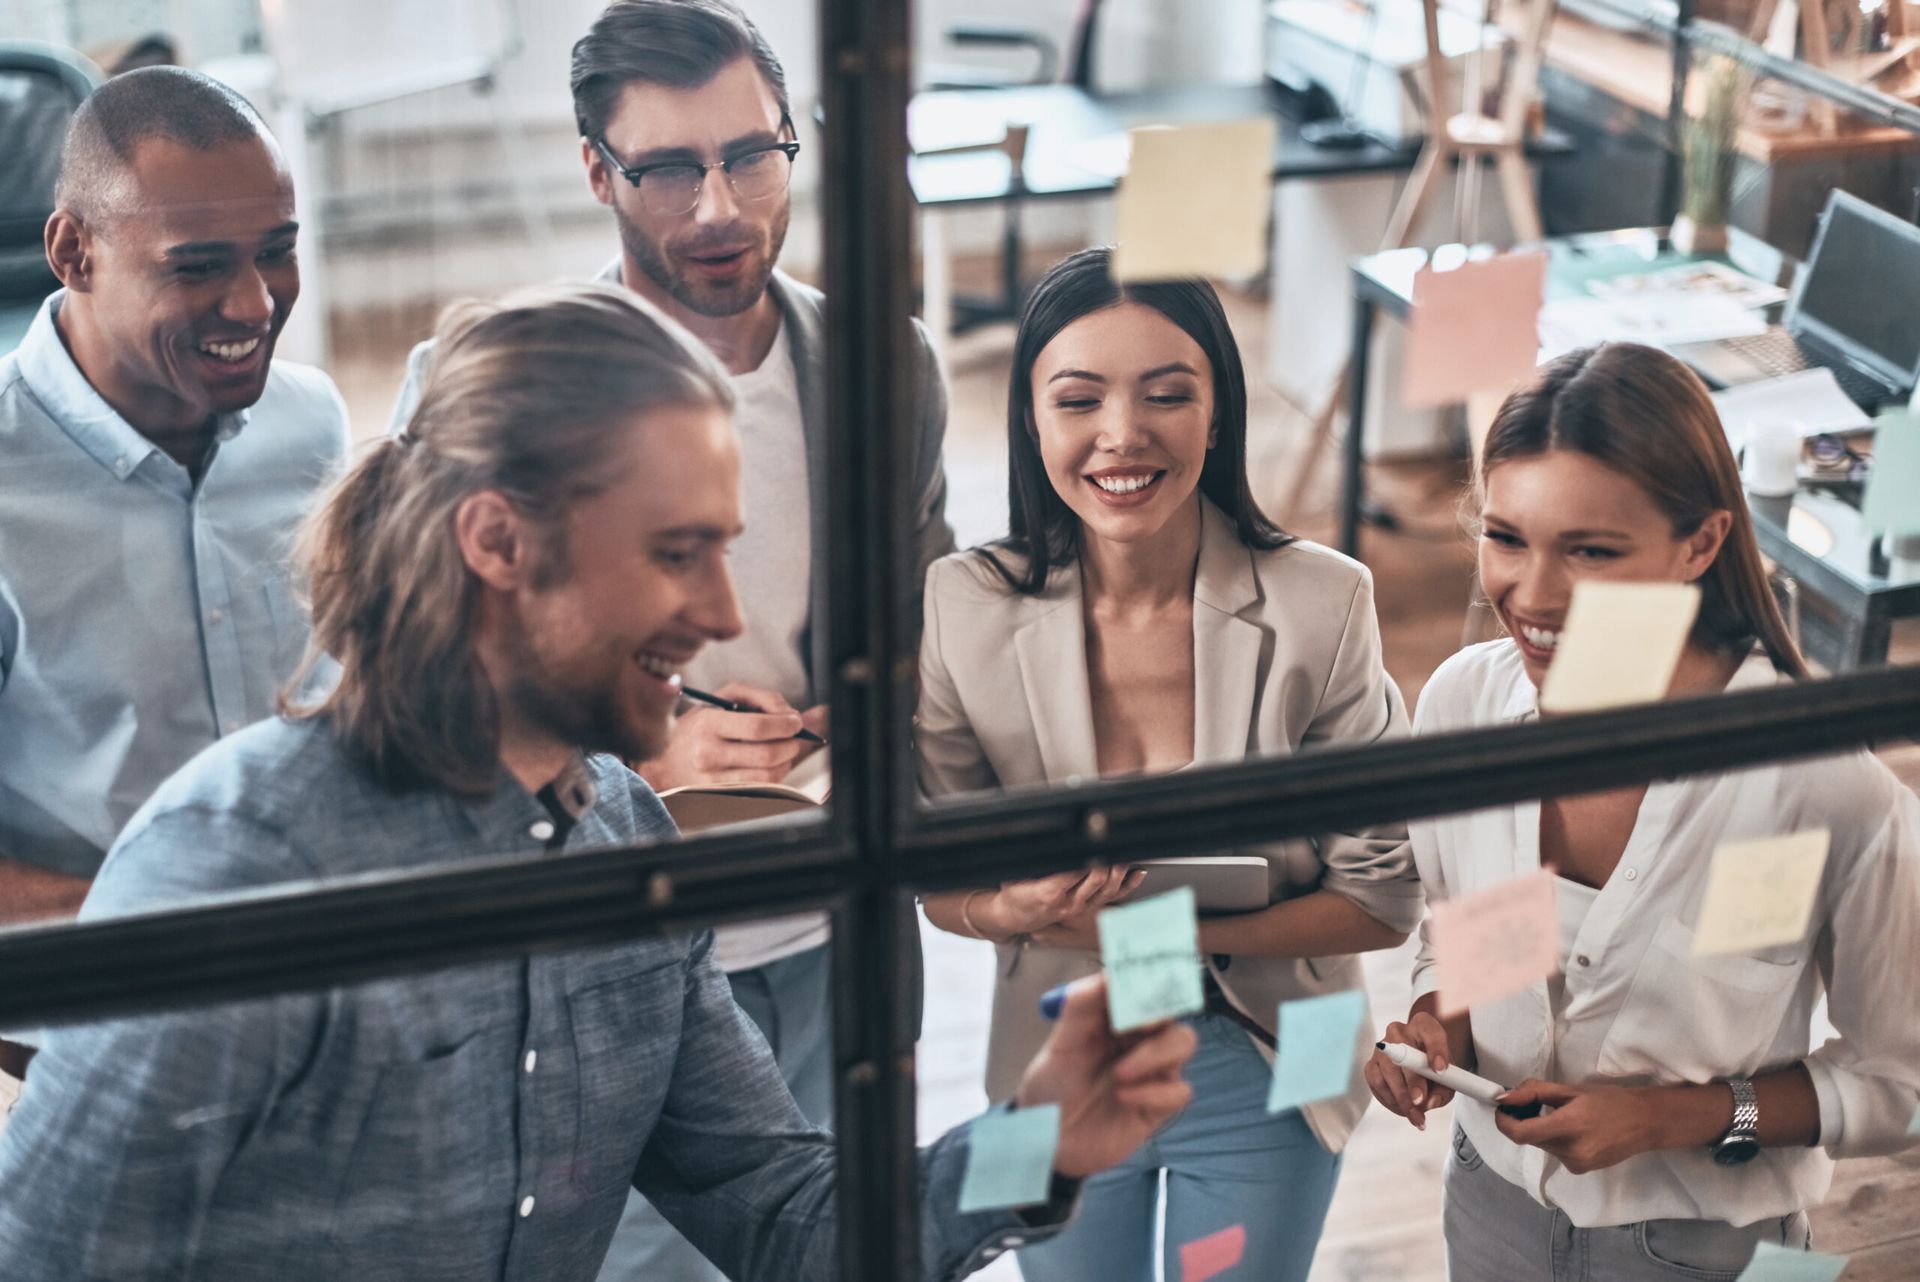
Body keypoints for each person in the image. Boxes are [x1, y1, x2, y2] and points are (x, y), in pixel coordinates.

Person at [0, 282, 1196, 1281]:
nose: (723, 613)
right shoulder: (233, 863)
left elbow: (785, 1210)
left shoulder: (628, 846)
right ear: (498, 540)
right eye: (677, 553)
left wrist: (1037, 1144)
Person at [390, 14, 952, 1272]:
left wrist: (864, 724)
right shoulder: (487, 386)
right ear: (597, 172)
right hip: (611, 958)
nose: (720, 206)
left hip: (837, 932)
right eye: (667, 169)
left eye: (753, 156)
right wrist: (650, 742)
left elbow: (925, 628)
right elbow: (404, 687)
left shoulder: (886, 365)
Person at [918, 247, 1423, 1282]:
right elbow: (940, 880)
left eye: (1166, 394)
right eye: (1079, 398)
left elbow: (1383, 900)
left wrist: (1152, 930)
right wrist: (1008, 910)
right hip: (1049, 1059)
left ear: (1218, 413)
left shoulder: (1326, 605)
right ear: (1031, 419)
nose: (1122, 433)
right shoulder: (960, 608)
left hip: (1286, 1054)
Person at [1364, 342, 1920, 1280]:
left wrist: (1666, 1119)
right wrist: (1438, 1026)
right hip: (1486, 1200)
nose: (1532, 597)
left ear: (1701, 543)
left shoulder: (1821, 786)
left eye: (1590, 551)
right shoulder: (1463, 704)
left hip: (1704, 1248)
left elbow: (1899, 1086)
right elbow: (1481, 933)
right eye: (1506, 537)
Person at [0, 67, 348, 1117]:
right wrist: (178, 917)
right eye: (198, 267)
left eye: (277, 251)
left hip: (330, 1028)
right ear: (73, 253)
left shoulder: (314, 425)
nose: (254, 304)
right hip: (87, 1063)